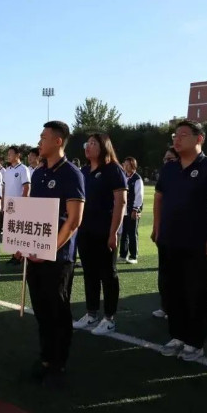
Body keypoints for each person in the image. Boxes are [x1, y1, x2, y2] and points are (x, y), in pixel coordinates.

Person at [13, 121, 85, 387]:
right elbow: (32, 216)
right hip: (36, 257)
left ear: (58, 141)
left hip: (59, 257)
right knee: (42, 310)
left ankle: (58, 363)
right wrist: (24, 243)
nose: (39, 142)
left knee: (58, 310)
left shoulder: (72, 174)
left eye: (43, 137)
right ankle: (45, 357)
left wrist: (49, 248)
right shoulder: (39, 174)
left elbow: (74, 220)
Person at [154, 120, 207, 361]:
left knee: (197, 293)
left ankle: (195, 343)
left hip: (198, 243)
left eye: (183, 135)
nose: (176, 139)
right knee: (171, 290)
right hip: (168, 241)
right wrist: (157, 228)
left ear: (200, 139)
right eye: (175, 135)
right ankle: (177, 335)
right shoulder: (169, 168)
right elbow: (159, 198)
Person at [74, 133, 127, 335]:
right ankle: (91, 313)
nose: (88, 147)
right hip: (86, 230)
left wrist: (113, 232)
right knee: (90, 273)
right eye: (87, 143)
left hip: (106, 231)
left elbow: (120, 202)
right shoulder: (85, 171)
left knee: (108, 274)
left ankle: (109, 318)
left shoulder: (113, 170)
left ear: (104, 146)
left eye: (93, 143)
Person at [151, 147, 180, 319]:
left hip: (183, 234)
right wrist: (156, 228)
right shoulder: (165, 177)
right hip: (165, 232)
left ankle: (176, 309)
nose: (166, 162)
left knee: (179, 274)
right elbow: (158, 201)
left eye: (170, 159)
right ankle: (166, 305)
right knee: (164, 272)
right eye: (165, 159)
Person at [119, 157, 143, 264]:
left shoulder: (137, 179)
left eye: (128, 164)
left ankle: (133, 256)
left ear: (133, 165)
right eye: (125, 164)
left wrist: (135, 209)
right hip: (123, 210)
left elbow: (139, 195)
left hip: (132, 210)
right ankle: (123, 255)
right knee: (123, 233)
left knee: (132, 232)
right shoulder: (124, 177)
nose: (125, 166)